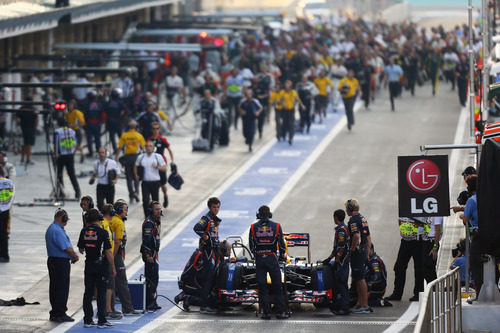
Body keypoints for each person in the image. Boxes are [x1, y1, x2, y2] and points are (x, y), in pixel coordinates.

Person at [77, 208, 116, 328]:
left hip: (89, 264)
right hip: (101, 266)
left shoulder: (84, 231)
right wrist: (113, 267)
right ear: (99, 219)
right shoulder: (103, 232)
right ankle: (101, 320)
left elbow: (81, 249)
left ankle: (88, 320)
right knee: (101, 292)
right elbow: (108, 251)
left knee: (88, 292)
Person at [249, 205, 288, 319]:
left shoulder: (253, 227)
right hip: (272, 258)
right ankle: (280, 312)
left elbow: (251, 246)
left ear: (259, 215)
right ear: (269, 214)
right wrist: (281, 256)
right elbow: (281, 244)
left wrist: (257, 254)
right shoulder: (276, 226)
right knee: (277, 286)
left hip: (260, 258)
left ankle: (266, 313)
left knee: (262, 287)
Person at [175, 240, 232, 311]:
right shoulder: (202, 256)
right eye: (229, 250)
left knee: (217, 299)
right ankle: (187, 297)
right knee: (210, 300)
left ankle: (190, 295)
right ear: (223, 249)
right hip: (190, 283)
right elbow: (201, 277)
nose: (230, 252)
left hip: (198, 283)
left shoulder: (219, 257)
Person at [45, 208, 79, 322]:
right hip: (60, 262)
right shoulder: (57, 230)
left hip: (54, 261)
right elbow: (67, 248)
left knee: (54, 287)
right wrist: (74, 256)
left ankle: (55, 312)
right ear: (61, 218)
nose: (66, 222)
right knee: (61, 288)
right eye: (66, 220)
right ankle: (60, 312)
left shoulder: (52, 228)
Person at [110, 201, 141, 316]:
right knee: (121, 281)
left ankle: (110, 309)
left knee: (112, 282)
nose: (126, 212)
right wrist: (112, 257)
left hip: (112, 254)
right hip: (115, 255)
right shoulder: (118, 222)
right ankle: (127, 308)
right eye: (125, 209)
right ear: (118, 210)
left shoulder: (114, 220)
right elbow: (118, 242)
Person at [193, 197, 222, 314]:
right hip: (208, 252)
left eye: (218, 207)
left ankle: (211, 303)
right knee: (208, 278)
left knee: (213, 277)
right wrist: (205, 237)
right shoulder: (206, 218)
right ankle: (204, 305)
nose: (216, 209)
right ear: (210, 207)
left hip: (215, 251)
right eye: (214, 207)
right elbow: (197, 228)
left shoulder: (214, 220)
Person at [385, 217, 425, 302]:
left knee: (419, 268)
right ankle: (397, 293)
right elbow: (400, 222)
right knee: (399, 267)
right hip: (405, 241)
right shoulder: (403, 208)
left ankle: (418, 293)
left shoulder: (418, 207)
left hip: (418, 241)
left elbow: (425, 224)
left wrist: (415, 227)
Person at [345, 198, 371, 313]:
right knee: (358, 278)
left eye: (347, 208)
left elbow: (356, 236)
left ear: (350, 208)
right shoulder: (362, 218)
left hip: (358, 252)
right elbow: (368, 237)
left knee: (360, 279)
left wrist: (351, 249)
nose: (346, 210)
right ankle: (360, 303)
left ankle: (364, 305)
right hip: (364, 250)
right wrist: (368, 251)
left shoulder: (353, 220)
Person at [322, 209, 350, 315]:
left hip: (343, 261)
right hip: (341, 260)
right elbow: (336, 248)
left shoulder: (342, 230)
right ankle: (339, 306)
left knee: (342, 283)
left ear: (336, 217)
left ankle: (344, 308)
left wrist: (337, 260)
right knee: (338, 283)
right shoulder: (340, 229)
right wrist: (329, 258)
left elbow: (341, 247)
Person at [99, 204, 121, 320]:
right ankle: (107, 309)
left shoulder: (100, 222)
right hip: (106, 258)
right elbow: (107, 248)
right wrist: (113, 264)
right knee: (109, 285)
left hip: (98, 258)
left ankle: (103, 309)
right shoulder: (106, 226)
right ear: (112, 213)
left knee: (100, 285)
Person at [116, 120, 146, 203]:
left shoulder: (124, 135)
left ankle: (131, 194)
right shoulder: (139, 135)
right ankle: (136, 192)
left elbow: (119, 147)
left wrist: (116, 158)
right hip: (136, 157)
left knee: (129, 177)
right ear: (136, 127)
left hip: (127, 157)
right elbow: (144, 148)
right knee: (136, 176)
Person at [134, 140, 166, 218]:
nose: (149, 148)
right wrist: (136, 175)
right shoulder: (141, 157)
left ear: (153, 148)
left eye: (150, 146)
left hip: (155, 182)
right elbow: (135, 165)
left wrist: (157, 167)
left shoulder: (157, 156)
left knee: (155, 201)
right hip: (145, 182)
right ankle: (147, 216)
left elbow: (164, 168)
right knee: (145, 200)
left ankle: (156, 217)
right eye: (147, 146)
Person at [140, 201, 162, 312]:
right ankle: (149, 302)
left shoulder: (156, 221)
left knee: (155, 278)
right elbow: (146, 241)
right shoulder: (149, 223)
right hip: (150, 254)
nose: (159, 211)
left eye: (159, 209)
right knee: (151, 278)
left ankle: (152, 300)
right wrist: (148, 255)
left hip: (154, 253)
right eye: (156, 209)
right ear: (151, 211)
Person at [149, 122, 175, 208]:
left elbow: (169, 150)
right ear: (151, 130)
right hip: (152, 165)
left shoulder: (162, 139)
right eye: (154, 129)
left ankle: (165, 195)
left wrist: (172, 161)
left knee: (162, 184)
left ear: (159, 129)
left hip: (161, 165)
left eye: (157, 128)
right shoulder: (149, 140)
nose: (155, 130)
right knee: (152, 183)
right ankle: (154, 202)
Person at [54, 119, 81, 199]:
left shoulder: (57, 132)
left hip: (61, 155)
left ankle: (61, 192)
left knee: (59, 174)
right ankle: (77, 192)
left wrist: (54, 156)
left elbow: (55, 144)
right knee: (72, 174)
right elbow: (76, 143)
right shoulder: (72, 131)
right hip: (70, 155)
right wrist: (73, 152)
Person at [280, 80, 304, 145]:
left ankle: (290, 138)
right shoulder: (282, 92)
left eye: (288, 84)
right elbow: (281, 100)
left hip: (291, 110)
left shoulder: (293, 92)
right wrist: (283, 104)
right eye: (286, 84)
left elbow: (297, 99)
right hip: (285, 110)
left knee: (291, 124)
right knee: (284, 123)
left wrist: (302, 105)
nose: (287, 86)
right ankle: (283, 134)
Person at [15, 100, 38, 165]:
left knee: (24, 144)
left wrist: (17, 123)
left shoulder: (22, 108)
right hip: (31, 129)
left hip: (23, 129)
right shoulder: (34, 109)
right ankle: (27, 159)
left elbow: (15, 116)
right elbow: (37, 116)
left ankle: (22, 159)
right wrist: (35, 128)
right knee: (29, 144)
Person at [104, 89, 126, 154]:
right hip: (117, 121)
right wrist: (122, 117)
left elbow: (104, 111)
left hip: (110, 121)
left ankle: (115, 150)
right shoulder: (120, 102)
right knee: (120, 136)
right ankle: (124, 149)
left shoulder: (108, 102)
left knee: (112, 137)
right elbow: (126, 111)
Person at [422, 216, 442, 284]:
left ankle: (434, 291)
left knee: (430, 269)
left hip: (431, 242)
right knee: (424, 268)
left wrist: (435, 248)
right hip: (425, 241)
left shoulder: (437, 215)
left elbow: (437, 231)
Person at [83, 91, 103, 157]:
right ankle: (99, 151)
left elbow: (85, 115)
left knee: (89, 139)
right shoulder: (99, 104)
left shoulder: (86, 105)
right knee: (97, 139)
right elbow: (101, 114)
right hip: (97, 123)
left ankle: (91, 152)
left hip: (89, 123)